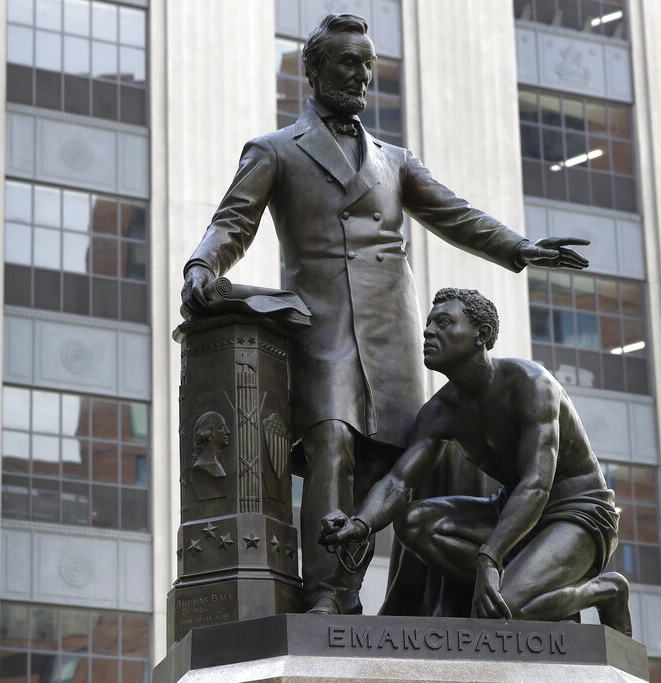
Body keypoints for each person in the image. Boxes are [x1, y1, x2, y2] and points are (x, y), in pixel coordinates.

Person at [180, 13, 589, 615]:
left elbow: (456, 213)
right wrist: (201, 266)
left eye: (369, 63)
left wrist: (517, 248)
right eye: (349, 62)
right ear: (314, 70)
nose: (362, 75)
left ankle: (396, 602)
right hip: (322, 327)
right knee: (332, 444)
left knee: (395, 461)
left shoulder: (394, 160)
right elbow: (232, 221)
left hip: (394, 333)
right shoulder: (274, 151)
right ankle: (327, 596)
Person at [320, 288, 631, 635]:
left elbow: (537, 484)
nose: (428, 332)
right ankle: (524, 580)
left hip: (576, 513)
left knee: (504, 611)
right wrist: (360, 523)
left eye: (443, 323)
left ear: (481, 335)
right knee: (413, 522)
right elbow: (399, 482)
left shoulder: (531, 384)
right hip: (510, 512)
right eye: (428, 324)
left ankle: (605, 591)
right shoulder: (440, 412)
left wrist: (490, 556)